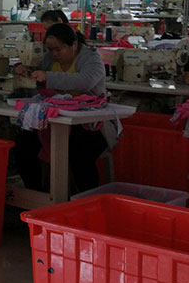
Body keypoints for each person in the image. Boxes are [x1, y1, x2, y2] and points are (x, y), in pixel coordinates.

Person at [13, 23, 114, 195]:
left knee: (78, 153)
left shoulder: (92, 59)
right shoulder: (48, 59)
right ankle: (36, 196)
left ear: (74, 45)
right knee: (23, 144)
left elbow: (84, 82)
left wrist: (47, 77)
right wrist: (23, 70)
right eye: (50, 49)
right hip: (54, 121)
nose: (54, 54)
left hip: (91, 125)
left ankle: (87, 201)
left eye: (58, 49)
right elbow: (36, 77)